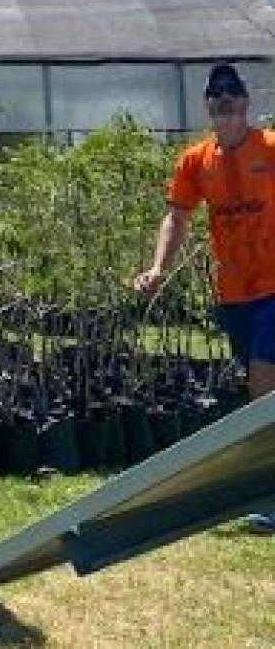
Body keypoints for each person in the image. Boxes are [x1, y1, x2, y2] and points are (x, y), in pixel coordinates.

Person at [133, 63, 275, 534]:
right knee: (260, 394)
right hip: (233, 294)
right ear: (209, 110)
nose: (225, 111)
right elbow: (176, 218)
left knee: (262, 387)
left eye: (232, 102)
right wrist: (158, 268)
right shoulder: (196, 161)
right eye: (216, 105)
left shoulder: (271, 149)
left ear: (245, 105)